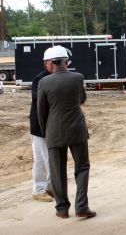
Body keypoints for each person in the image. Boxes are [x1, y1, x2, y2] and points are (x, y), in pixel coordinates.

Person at [37, 45, 96, 219]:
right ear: (66, 61)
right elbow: (82, 99)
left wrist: (46, 132)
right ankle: (81, 207)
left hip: (54, 131)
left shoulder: (44, 82)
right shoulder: (78, 77)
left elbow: (41, 111)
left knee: (57, 171)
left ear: (51, 63)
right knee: (82, 167)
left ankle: (62, 209)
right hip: (77, 129)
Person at [29, 52, 54, 202]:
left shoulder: (57, 77)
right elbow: (41, 99)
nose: (57, 65)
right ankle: (41, 189)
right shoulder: (39, 79)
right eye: (53, 62)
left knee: (44, 158)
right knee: (43, 158)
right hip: (39, 124)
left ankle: (43, 188)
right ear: (46, 63)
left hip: (52, 124)